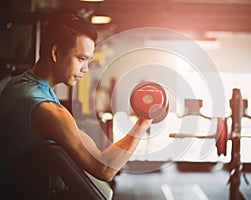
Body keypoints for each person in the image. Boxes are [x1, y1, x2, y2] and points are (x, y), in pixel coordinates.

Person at [0, 13, 152, 198]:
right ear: (56, 53)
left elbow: (95, 153)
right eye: (81, 59)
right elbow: (105, 169)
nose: (86, 68)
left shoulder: (17, 84)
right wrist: (143, 122)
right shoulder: (47, 111)